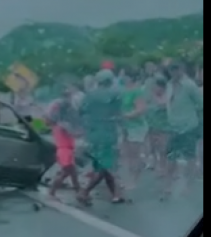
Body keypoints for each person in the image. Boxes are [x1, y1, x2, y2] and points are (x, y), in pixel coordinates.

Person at [77, 69, 124, 205]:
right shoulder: (115, 94)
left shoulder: (89, 95)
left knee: (100, 164)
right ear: (110, 81)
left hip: (92, 133)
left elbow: (81, 111)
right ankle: (84, 191)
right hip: (108, 132)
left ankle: (115, 194)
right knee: (104, 166)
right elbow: (118, 114)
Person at [162, 60, 203, 199]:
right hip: (173, 126)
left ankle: (188, 185)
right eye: (171, 70)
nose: (174, 73)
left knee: (189, 157)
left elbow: (200, 103)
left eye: (176, 69)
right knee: (170, 156)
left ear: (182, 70)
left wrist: (190, 114)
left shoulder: (189, 85)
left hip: (188, 126)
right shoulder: (169, 85)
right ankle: (168, 185)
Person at [46, 82, 82, 200]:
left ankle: (79, 192)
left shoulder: (58, 124)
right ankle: (52, 192)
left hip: (66, 150)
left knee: (72, 173)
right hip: (65, 151)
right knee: (66, 173)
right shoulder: (63, 125)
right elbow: (74, 134)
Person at [119, 68, 148, 190]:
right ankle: (129, 178)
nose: (121, 77)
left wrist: (126, 115)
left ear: (129, 77)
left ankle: (134, 181)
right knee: (126, 154)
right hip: (125, 125)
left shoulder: (137, 91)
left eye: (123, 75)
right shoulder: (123, 90)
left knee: (134, 155)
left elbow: (141, 109)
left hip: (136, 126)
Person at [146, 75, 170, 175]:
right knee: (152, 147)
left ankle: (163, 167)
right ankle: (155, 164)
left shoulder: (167, 97)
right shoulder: (151, 97)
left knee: (163, 149)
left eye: (156, 87)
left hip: (164, 128)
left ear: (162, 88)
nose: (154, 89)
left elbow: (163, 105)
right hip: (152, 126)